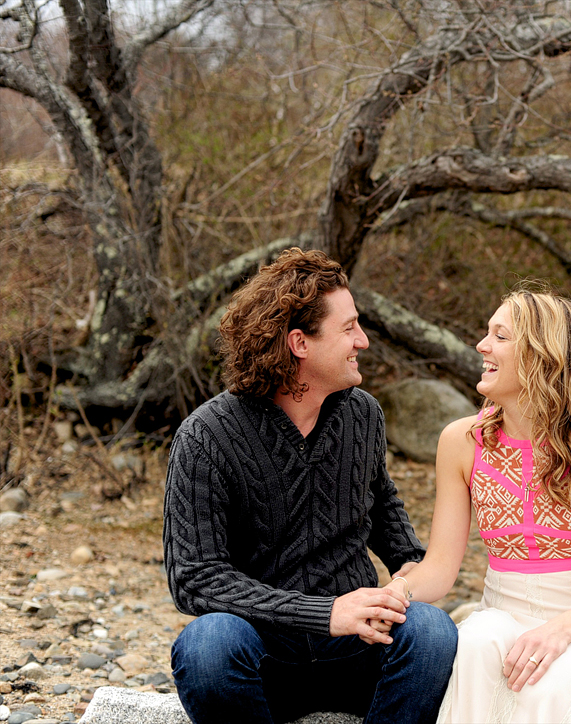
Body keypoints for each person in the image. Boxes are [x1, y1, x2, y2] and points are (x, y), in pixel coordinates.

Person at [163, 248, 457, 724]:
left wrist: (402, 585)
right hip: (263, 661)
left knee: (432, 631)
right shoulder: (206, 437)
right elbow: (194, 578)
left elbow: (393, 529)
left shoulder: (363, 415)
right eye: (348, 328)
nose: (362, 340)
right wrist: (323, 613)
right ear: (300, 342)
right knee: (207, 645)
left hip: (359, 653)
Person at [382, 286, 571, 723]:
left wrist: (559, 631)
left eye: (500, 336)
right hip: (502, 615)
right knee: (474, 642)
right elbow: (440, 567)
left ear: (541, 354)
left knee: (550, 689)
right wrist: (395, 593)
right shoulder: (461, 441)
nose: (481, 346)